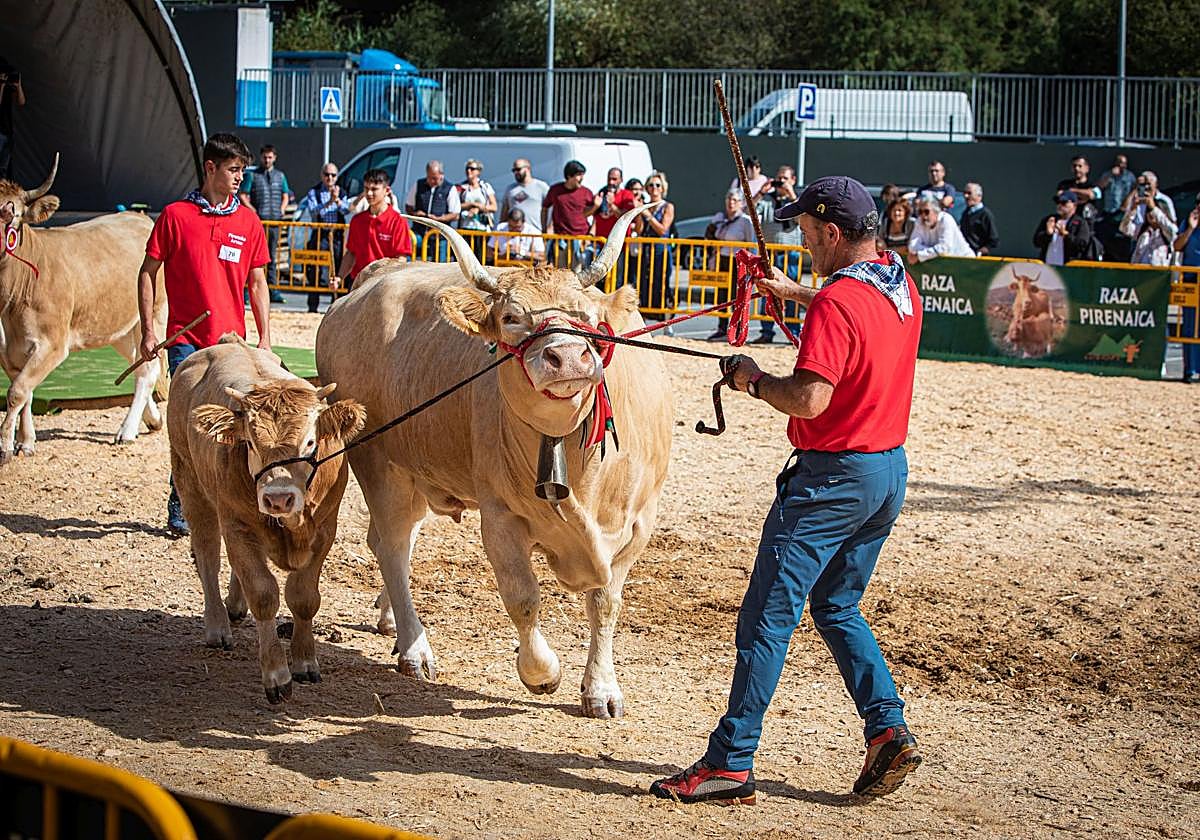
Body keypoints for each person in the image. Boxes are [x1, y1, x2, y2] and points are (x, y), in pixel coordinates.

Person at [651, 175, 923, 805]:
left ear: (833, 232)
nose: (804, 246)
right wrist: (797, 294)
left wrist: (750, 379)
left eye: (807, 236)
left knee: (768, 615)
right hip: (886, 472)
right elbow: (853, 307)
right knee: (836, 604)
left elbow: (809, 396)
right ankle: (887, 729)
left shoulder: (835, 303)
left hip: (830, 479)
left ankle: (731, 762)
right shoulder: (898, 283)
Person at [136, 133, 271, 535]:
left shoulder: (248, 220)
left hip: (233, 347)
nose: (240, 179)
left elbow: (258, 282)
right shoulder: (175, 216)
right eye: (233, 170)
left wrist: (264, 338)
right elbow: (147, 273)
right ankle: (183, 505)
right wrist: (148, 331)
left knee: (236, 429)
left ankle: (235, 503)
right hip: (185, 343)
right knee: (192, 430)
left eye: (243, 171)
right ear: (210, 168)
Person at [336, 168, 412, 291]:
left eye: (374, 189)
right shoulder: (357, 220)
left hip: (383, 286)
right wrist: (339, 278)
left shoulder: (398, 221)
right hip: (358, 284)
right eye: (366, 189)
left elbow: (401, 259)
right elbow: (351, 254)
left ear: (386, 190)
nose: (369, 193)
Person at [752, 165, 802, 344]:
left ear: (793, 180)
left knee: (792, 292)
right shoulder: (766, 200)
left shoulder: (797, 202)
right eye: (778, 178)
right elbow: (748, 212)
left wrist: (792, 196)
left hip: (791, 253)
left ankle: (794, 331)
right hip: (770, 253)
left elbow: (801, 220)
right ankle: (766, 331)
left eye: (785, 179)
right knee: (768, 291)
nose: (781, 182)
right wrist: (760, 193)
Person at [238, 144, 291, 304]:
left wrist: (282, 209)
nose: (267, 160)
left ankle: (273, 289)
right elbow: (243, 195)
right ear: (261, 157)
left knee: (272, 257)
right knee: (252, 258)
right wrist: (253, 211)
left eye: (270, 157)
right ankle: (247, 291)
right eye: (265, 157)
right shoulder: (252, 176)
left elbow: (285, 195)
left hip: (274, 222)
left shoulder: (280, 176)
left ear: (274, 158)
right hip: (258, 223)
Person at [703, 190, 757, 341]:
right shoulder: (721, 219)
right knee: (721, 295)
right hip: (723, 259)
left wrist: (750, 265)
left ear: (740, 203)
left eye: (734, 200)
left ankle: (738, 328)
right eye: (728, 199)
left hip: (738, 262)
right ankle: (721, 327)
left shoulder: (745, 221)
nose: (731, 203)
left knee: (737, 296)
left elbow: (751, 243)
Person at [299, 161, 350, 313]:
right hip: (320, 234)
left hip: (337, 235)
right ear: (322, 176)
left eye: (333, 175)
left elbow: (347, 210)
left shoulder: (342, 192)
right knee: (315, 269)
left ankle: (338, 305)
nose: (330, 178)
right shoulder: (314, 192)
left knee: (339, 268)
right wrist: (328, 202)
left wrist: (337, 201)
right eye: (327, 175)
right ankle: (313, 305)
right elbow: (314, 211)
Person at [633, 171, 676, 314]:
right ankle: (645, 314)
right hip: (646, 249)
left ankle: (665, 317)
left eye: (658, 185)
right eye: (651, 185)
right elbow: (639, 230)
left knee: (662, 282)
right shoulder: (645, 207)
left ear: (663, 188)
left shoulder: (667, 206)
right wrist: (639, 212)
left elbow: (663, 230)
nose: (654, 188)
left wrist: (649, 216)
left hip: (661, 249)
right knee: (644, 282)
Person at [541, 160, 595, 270]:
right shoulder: (555, 190)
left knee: (578, 274)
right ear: (569, 176)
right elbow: (545, 208)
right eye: (579, 175)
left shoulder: (586, 192)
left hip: (581, 239)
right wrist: (544, 229)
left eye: (582, 175)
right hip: (560, 239)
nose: (582, 178)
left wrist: (591, 234)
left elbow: (596, 215)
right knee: (560, 273)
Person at [404, 160, 460, 262]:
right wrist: (415, 214)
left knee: (439, 265)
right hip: (419, 232)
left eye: (434, 178)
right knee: (409, 250)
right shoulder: (418, 184)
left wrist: (439, 218)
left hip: (439, 234)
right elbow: (409, 205)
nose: (431, 181)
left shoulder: (450, 188)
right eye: (429, 177)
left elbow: (455, 214)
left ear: (441, 175)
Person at [1172, 197, 1200, 383]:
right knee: (1190, 326)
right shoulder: (1188, 222)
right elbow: (1177, 246)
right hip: (1190, 277)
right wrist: (1190, 228)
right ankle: (1191, 369)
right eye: (1197, 202)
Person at [907, 196, 974, 262]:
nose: (923, 215)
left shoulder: (946, 220)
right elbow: (912, 246)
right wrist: (930, 253)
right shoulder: (919, 221)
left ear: (936, 211)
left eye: (926, 211)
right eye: (920, 212)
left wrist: (919, 255)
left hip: (965, 260)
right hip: (944, 262)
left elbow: (944, 248)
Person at [1033, 191, 1092, 266]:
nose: (1060, 205)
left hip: (1068, 268)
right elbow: (1036, 242)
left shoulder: (1080, 223)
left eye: (1064, 202)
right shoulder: (1049, 220)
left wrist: (1066, 235)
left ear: (1074, 205)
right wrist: (1047, 234)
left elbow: (1082, 246)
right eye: (1058, 202)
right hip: (1048, 267)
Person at [1120, 190, 1177, 266]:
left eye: (1152, 210)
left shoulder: (1167, 233)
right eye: (1149, 210)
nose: (1151, 213)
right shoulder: (1142, 231)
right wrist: (1132, 209)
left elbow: (1174, 231)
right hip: (1140, 273)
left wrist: (1154, 209)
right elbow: (1123, 228)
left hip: (1159, 274)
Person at [1096, 154, 1136, 260]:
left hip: (1122, 212)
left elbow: (1134, 190)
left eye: (1123, 163)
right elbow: (1099, 187)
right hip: (1109, 211)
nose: (1121, 165)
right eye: (1119, 163)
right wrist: (1110, 175)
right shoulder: (1108, 174)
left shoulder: (1130, 176)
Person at [457, 158, 497, 261]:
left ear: (478, 171)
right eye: (467, 168)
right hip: (465, 227)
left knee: (480, 258)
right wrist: (470, 205)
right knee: (465, 258)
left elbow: (494, 207)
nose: (469, 171)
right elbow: (456, 206)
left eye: (472, 168)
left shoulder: (485, 187)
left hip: (481, 228)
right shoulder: (462, 188)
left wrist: (479, 208)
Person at [499, 158, 550, 231]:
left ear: (528, 169)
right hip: (514, 233)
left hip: (535, 232)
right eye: (514, 170)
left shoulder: (541, 187)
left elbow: (552, 208)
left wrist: (549, 228)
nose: (516, 173)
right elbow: (504, 211)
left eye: (518, 169)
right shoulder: (510, 189)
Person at [1055, 155, 1102, 222]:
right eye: (1074, 166)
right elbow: (1060, 196)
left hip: (1087, 223)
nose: (1077, 169)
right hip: (1068, 222)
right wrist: (1082, 196)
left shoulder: (1094, 186)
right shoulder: (1064, 184)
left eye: (1080, 166)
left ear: (1087, 168)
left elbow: (1091, 195)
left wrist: (1071, 191)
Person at [0, 60, 26, 180]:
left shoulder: (9, 88)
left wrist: (18, 86)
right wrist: (1, 85)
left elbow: (21, 102)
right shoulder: (3, 86)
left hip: (7, 131)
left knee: (4, 169)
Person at [592, 167, 636, 239]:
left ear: (621, 180)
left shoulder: (627, 195)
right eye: (609, 179)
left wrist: (611, 205)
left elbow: (625, 218)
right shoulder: (601, 193)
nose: (611, 182)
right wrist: (595, 207)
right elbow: (592, 217)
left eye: (614, 179)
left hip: (619, 244)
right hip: (600, 242)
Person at [959, 182, 1000, 256]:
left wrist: (981, 252)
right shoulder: (965, 213)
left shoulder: (985, 214)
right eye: (964, 193)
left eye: (969, 193)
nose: (966, 196)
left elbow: (994, 240)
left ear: (979, 196)